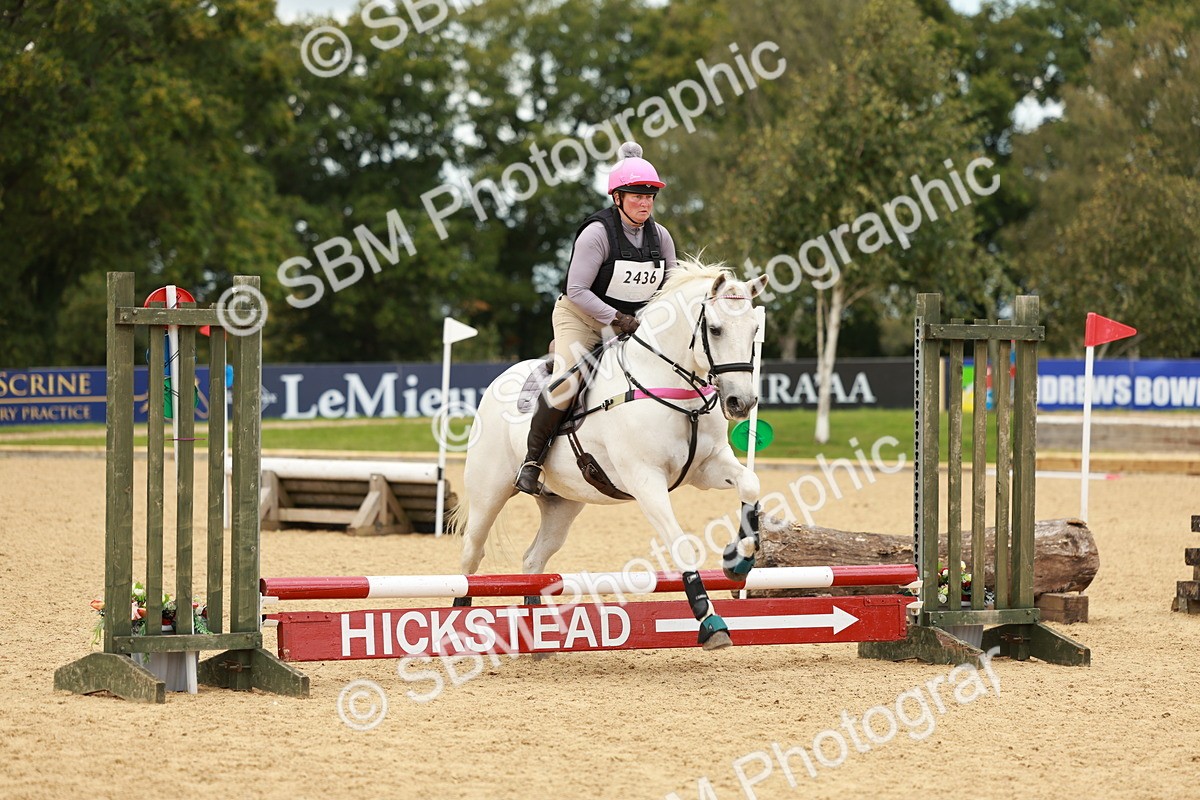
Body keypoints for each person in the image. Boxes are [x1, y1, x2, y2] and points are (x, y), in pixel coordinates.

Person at [514, 141, 679, 495]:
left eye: (650, 196)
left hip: (631, 324)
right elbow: (577, 289)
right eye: (637, 195)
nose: (645, 202)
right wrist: (618, 318)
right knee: (569, 382)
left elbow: (671, 287)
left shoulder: (661, 236)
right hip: (583, 318)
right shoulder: (598, 233)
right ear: (617, 198)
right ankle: (532, 461)